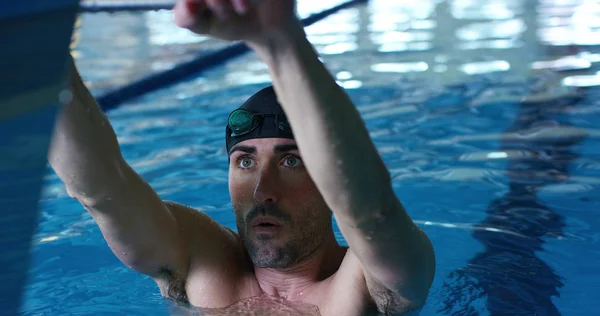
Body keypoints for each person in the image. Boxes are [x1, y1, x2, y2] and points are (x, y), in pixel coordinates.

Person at [49, 0, 435, 315]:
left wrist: (279, 42)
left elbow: (370, 212)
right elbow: (100, 190)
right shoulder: (200, 256)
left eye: (291, 161)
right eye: (245, 162)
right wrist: (40, 54)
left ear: (329, 180)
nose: (262, 191)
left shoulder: (366, 281)